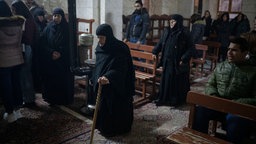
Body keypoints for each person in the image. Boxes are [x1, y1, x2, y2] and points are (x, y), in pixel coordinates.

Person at [193, 37, 256, 143]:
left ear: (245, 53)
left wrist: (236, 103)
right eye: (229, 49)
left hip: (238, 110)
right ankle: (198, 140)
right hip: (218, 105)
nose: (229, 53)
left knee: (235, 124)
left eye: (234, 50)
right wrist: (213, 96)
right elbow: (210, 84)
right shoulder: (221, 66)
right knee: (200, 111)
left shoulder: (253, 72)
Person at [89, 24, 135, 137]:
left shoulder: (120, 48)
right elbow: (99, 65)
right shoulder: (99, 48)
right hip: (102, 83)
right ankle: (103, 126)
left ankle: (117, 128)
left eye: (102, 37)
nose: (99, 40)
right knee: (103, 106)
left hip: (117, 85)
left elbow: (121, 68)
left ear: (108, 36)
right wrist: (94, 77)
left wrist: (108, 77)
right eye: (98, 37)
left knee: (116, 107)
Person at [152, 14, 195, 107]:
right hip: (167, 61)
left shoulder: (185, 32)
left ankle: (175, 100)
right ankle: (165, 98)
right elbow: (160, 43)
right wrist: (154, 52)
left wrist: (184, 59)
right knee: (167, 80)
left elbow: (191, 48)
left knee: (176, 82)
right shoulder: (166, 31)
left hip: (178, 62)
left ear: (178, 22)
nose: (171, 23)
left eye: (173, 21)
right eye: (170, 21)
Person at [40, 7, 74, 105]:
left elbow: (70, 45)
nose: (56, 18)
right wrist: (51, 52)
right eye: (54, 16)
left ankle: (63, 100)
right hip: (50, 58)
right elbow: (43, 43)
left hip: (63, 60)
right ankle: (51, 99)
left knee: (62, 80)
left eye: (58, 16)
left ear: (62, 17)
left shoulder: (67, 29)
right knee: (51, 80)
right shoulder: (48, 28)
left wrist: (60, 53)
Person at [0, 0, 25, 123]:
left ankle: (10, 114)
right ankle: (18, 110)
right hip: (17, 58)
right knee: (16, 84)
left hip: (3, 60)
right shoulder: (18, 23)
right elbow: (20, 41)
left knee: (6, 88)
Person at [11, 0, 37, 107]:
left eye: (14, 9)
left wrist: (18, 35)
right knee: (22, 74)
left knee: (26, 74)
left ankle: (29, 99)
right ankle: (25, 98)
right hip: (22, 48)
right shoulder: (21, 20)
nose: (13, 12)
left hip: (26, 48)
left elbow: (28, 37)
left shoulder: (27, 20)